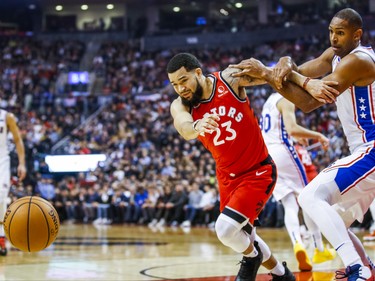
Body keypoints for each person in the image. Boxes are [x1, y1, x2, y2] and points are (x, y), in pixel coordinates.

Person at [230, 8, 375, 281]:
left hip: (372, 148)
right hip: (363, 150)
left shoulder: (359, 61)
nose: (333, 38)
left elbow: (307, 102)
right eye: (331, 31)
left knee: (309, 197)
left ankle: (359, 269)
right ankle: (365, 264)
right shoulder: (334, 55)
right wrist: (278, 67)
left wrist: (269, 72)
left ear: (357, 35)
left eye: (340, 33)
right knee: (333, 219)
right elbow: (296, 72)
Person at [167, 52, 298, 281]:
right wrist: (197, 124)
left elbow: (273, 76)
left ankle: (252, 258)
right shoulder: (180, 105)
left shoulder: (229, 79)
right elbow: (184, 128)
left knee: (225, 230)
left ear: (198, 72)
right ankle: (282, 275)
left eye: (183, 80)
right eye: (174, 84)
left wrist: (286, 63)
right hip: (227, 177)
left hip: (258, 171)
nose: (180, 89)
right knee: (246, 236)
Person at [260, 92, 336, 271]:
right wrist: (318, 135)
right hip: (283, 152)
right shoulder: (286, 98)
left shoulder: (268, 102)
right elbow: (292, 128)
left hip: (267, 155)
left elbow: (279, 130)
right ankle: (318, 249)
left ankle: (297, 244)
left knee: (289, 204)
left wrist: (294, 136)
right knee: (307, 198)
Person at [0, 109, 27, 256]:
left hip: (2, 161)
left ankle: (1, 239)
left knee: (1, 198)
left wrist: (22, 163)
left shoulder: (6, 116)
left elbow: (17, 139)